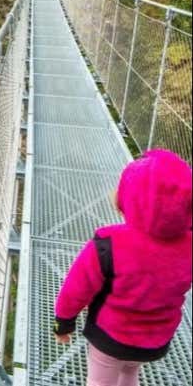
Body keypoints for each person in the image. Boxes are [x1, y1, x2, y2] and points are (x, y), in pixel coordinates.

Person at [53, 149, 192, 386]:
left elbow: (76, 289)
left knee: (100, 381)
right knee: (129, 372)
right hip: (155, 340)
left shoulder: (108, 246)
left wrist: (63, 323)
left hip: (111, 336)